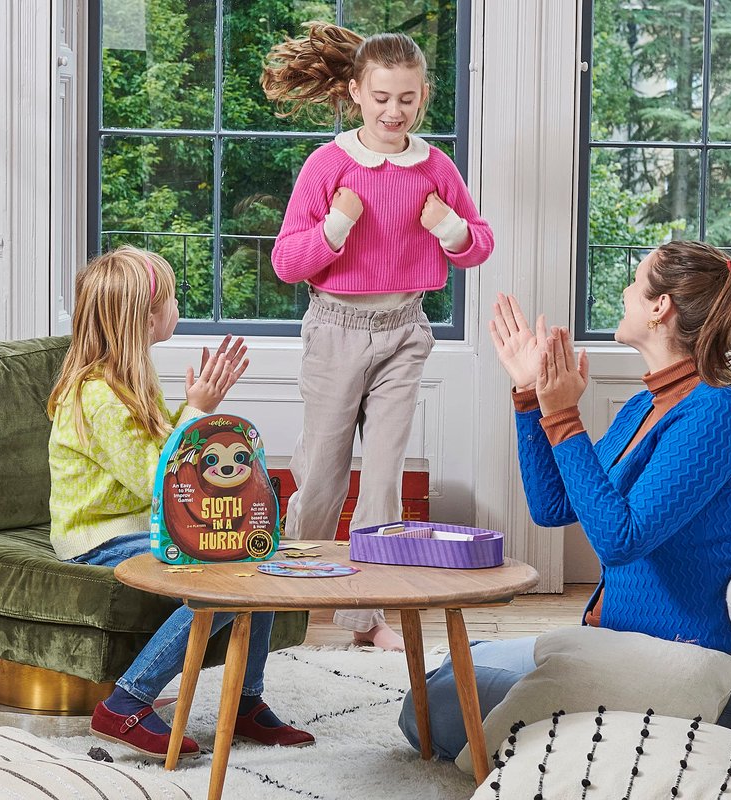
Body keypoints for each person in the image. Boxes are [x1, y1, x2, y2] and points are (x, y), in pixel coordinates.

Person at [399, 240, 731, 758]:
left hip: (671, 662)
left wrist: (564, 417)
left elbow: (620, 540)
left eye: (635, 282)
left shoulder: (718, 412)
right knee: (459, 662)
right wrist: (530, 398)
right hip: (613, 641)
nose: (624, 291)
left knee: (428, 708)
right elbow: (554, 505)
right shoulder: (646, 404)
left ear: (660, 307)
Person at [261, 23, 494, 650]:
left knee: (385, 477)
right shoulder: (328, 164)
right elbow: (287, 262)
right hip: (336, 328)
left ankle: (367, 616)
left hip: (404, 330)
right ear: (356, 93)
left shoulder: (435, 167)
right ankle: (288, 599)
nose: (395, 111)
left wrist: (448, 227)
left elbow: (478, 245)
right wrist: (336, 226)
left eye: (407, 99)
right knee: (323, 475)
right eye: (382, 97)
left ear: (423, 97)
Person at [48, 246, 314, 759]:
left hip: (143, 529)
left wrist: (196, 409)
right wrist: (195, 411)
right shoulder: (98, 396)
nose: (177, 306)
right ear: (147, 317)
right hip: (99, 540)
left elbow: (158, 452)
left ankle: (245, 703)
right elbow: (161, 480)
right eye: (171, 298)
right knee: (227, 577)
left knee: (251, 556)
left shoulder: (124, 381)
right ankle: (127, 702)